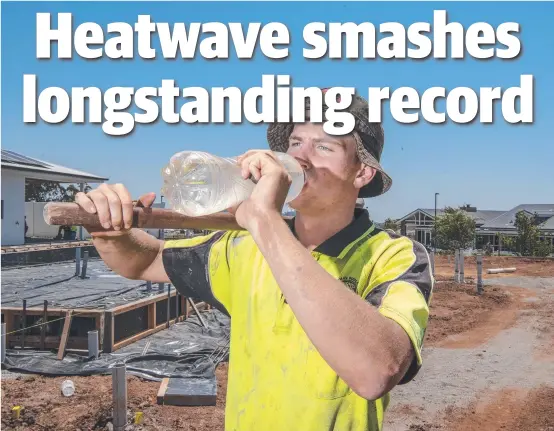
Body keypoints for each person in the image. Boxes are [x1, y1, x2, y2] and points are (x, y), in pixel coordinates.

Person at [75, 92, 433, 431]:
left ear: (362, 173)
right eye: (295, 143)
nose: (300, 158)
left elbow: (377, 372)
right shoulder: (242, 248)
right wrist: (110, 230)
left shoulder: (392, 256)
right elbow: (144, 260)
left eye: (324, 145)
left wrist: (265, 222)